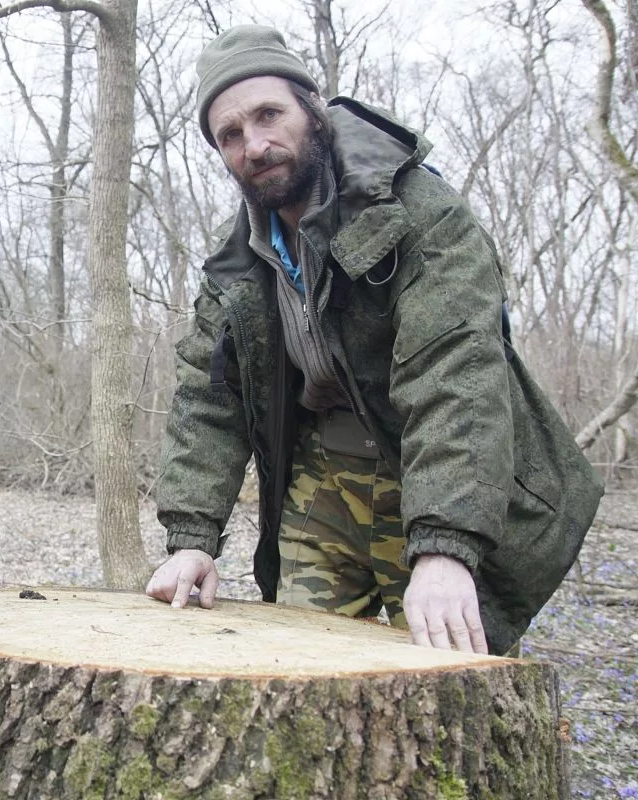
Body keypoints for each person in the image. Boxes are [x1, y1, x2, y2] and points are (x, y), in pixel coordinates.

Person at [145, 24, 603, 656]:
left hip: (421, 467)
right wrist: (192, 536)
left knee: (441, 684)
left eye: (269, 114)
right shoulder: (237, 262)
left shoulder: (416, 211)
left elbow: (457, 374)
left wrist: (445, 545)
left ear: (311, 108)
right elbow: (209, 396)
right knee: (299, 674)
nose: (255, 144)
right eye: (230, 134)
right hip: (319, 479)